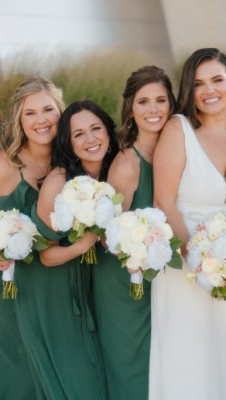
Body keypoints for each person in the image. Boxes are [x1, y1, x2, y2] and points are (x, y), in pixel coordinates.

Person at [150, 48, 226, 400]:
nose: (209, 90)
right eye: (198, 83)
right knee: (187, 362)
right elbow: (164, 201)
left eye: (217, 80)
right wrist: (199, 261)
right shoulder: (179, 129)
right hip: (185, 270)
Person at [0, 77, 62, 399]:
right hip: (2, 287)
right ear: (20, 121)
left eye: (48, 109)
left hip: (46, 283)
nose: (41, 120)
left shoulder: (68, 158)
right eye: (30, 113)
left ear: (61, 111)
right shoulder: (4, 167)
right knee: (16, 373)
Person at [93, 65, 175, 399]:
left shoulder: (175, 152)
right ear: (130, 109)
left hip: (164, 279)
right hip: (126, 280)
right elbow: (107, 231)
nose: (153, 110)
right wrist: (135, 255)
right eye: (143, 102)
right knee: (132, 364)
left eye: (160, 100)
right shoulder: (128, 163)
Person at [31, 100, 118, 398]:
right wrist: (82, 246)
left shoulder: (114, 169)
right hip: (56, 293)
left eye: (96, 129)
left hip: (95, 289)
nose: (90, 139)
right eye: (79, 134)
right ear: (68, 142)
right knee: (78, 383)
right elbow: (45, 254)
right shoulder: (58, 180)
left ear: (108, 131)